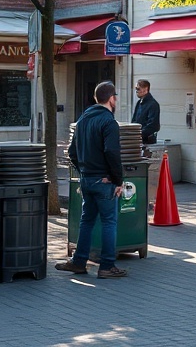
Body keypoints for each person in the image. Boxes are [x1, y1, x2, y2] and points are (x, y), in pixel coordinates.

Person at [56, 81, 128, 278]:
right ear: (111, 98)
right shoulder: (109, 122)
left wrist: (84, 172)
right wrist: (118, 180)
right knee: (109, 222)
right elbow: (112, 152)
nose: (116, 101)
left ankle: (79, 262)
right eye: (115, 98)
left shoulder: (83, 119)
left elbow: (71, 152)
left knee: (86, 221)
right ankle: (107, 266)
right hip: (104, 181)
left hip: (86, 179)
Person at [131, 78, 161, 145]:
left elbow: (153, 125)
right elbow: (134, 120)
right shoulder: (139, 103)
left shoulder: (153, 104)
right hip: (138, 139)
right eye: (136, 89)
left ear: (145, 89)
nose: (136, 91)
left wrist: (140, 134)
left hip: (147, 141)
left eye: (138, 89)